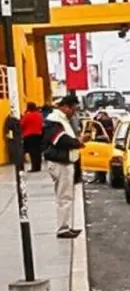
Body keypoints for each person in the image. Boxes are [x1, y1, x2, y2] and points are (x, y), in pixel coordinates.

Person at [43, 95, 89, 239]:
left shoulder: (62, 120)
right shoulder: (54, 121)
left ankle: (66, 225)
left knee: (66, 195)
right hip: (60, 163)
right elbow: (61, 140)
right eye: (73, 109)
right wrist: (79, 141)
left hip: (65, 162)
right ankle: (63, 228)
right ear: (66, 107)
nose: (74, 112)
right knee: (64, 196)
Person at [20, 102, 44, 172]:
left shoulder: (27, 115)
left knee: (32, 152)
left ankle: (34, 167)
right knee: (38, 151)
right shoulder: (40, 115)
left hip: (29, 135)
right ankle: (38, 167)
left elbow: (22, 124)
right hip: (38, 135)